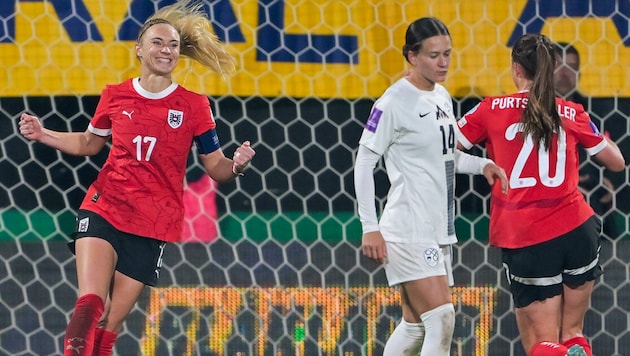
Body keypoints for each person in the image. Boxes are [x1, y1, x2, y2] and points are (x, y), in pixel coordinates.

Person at [18, 1, 255, 355]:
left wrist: (236, 164)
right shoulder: (115, 95)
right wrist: (43, 133)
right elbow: (88, 142)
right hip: (106, 206)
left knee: (109, 325)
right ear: (139, 50)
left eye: (173, 44)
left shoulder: (194, 106)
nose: (167, 50)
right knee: (91, 304)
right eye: (158, 42)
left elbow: (215, 167)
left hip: (154, 222)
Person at [456, 33, 625, 356]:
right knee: (573, 333)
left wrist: (482, 165)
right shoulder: (572, 112)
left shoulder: (490, 109)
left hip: (527, 235)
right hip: (579, 230)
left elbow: (444, 151)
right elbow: (616, 162)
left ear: (516, 69)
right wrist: (596, 136)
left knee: (541, 344)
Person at [354, 17, 508, 356]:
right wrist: (370, 227)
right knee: (441, 317)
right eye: (434, 55)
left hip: (438, 228)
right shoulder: (392, 102)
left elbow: (446, 155)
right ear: (412, 57)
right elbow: (364, 162)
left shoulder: (441, 96)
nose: (443, 63)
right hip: (408, 227)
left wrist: (482, 164)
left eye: (448, 54)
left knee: (415, 326)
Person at [554, 41, 619, 238]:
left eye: (572, 68)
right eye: (559, 66)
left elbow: (612, 154)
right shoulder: (531, 112)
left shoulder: (594, 113)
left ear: (579, 74)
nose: (565, 74)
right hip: (550, 200)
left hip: (593, 199)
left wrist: (608, 182)